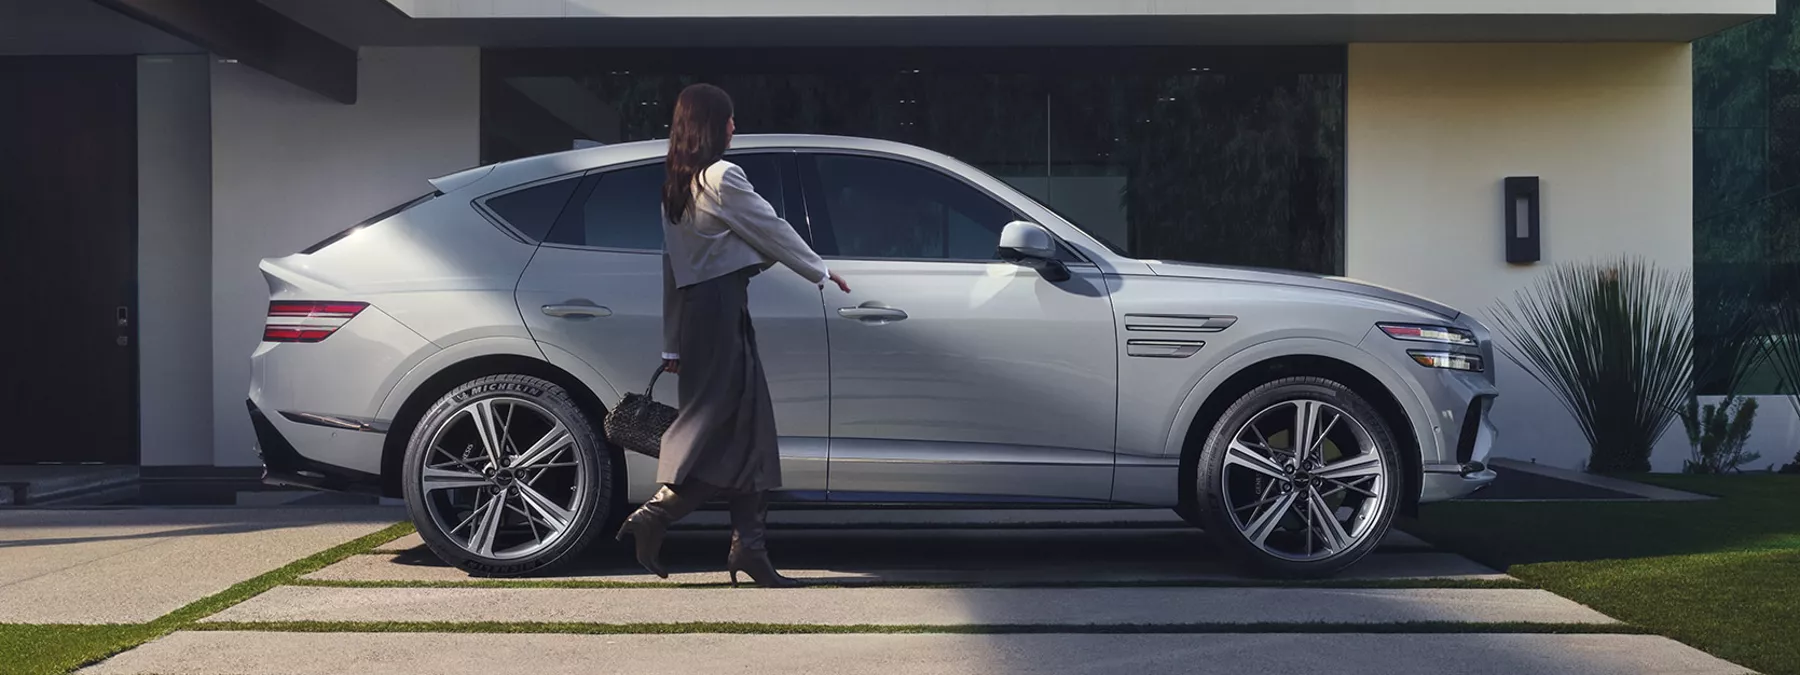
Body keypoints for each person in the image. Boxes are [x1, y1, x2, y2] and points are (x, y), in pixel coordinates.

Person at [615, 83, 849, 588]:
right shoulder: (723, 176)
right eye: (730, 119)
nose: (734, 128)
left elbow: (671, 269)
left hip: (707, 314)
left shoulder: (677, 184)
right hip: (721, 311)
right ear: (711, 126)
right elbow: (771, 226)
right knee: (718, 431)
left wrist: (673, 342)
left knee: (751, 430)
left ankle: (750, 549)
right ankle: (655, 516)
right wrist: (820, 270)